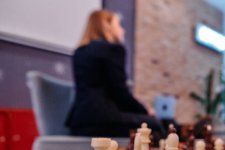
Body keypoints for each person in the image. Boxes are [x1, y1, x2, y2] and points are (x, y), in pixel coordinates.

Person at [65, 10, 164, 140]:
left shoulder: (79, 52)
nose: (123, 30)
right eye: (119, 25)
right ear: (107, 26)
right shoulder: (113, 49)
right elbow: (120, 93)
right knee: (155, 124)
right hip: (103, 120)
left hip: (79, 123)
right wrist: (146, 111)